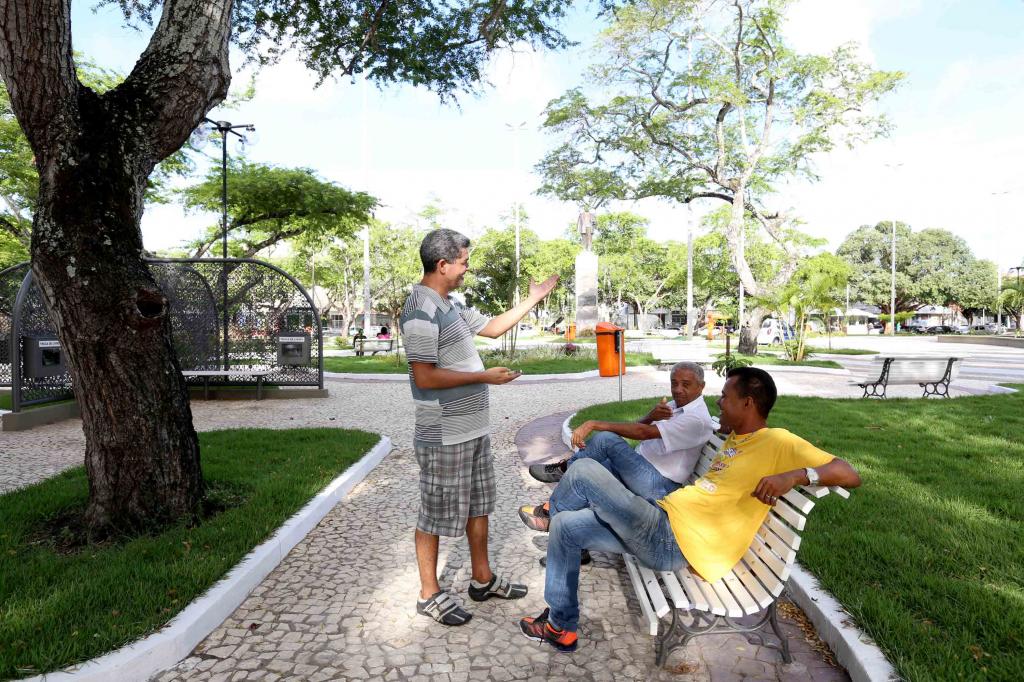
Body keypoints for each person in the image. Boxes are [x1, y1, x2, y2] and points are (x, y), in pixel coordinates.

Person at [517, 367, 862, 652]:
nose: (718, 402)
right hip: (662, 521)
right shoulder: (735, 438)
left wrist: (796, 476)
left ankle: (548, 511)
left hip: (671, 537)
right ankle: (561, 627)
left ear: (748, 403)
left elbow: (849, 473)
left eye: (725, 397)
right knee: (567, 528)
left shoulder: (778, 441)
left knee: (583, 470)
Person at [401, 228, 558, 626]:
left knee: (479, 506)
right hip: (443, 433)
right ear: (443, 264)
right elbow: (424, 377)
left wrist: (534, 298)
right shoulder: (420, 309)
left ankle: (482, 579)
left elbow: (492, 327)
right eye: (464, 262)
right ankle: (428, 594)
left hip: (472, 429)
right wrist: (483, 377)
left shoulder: (449, 304)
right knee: (434, 513)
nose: (467, 269)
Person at [518, 362, 715, 553]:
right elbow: (641, 427)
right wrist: (651, 416)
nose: (678, 389)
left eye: (686, 384)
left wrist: (593, 424)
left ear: (701, 386)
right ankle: (573, 543)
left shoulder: (696, 419)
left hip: (658, 485)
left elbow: (643, 433)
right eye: (674, 383)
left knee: (605, 440)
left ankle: (562, 476)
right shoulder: (676, 406)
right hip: (642, 471)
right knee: (590, 474)